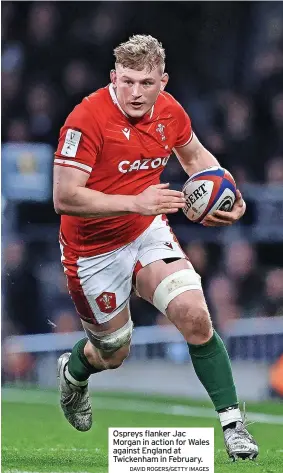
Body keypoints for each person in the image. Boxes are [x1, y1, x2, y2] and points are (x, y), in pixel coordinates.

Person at [53, 34, 258, 461]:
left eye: (146, 83)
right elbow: (64, 196)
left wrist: (230, 194)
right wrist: (136, 200)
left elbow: (197, 157)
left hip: (147, 230)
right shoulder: (85, 119)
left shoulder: (170, 112)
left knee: (195, 315)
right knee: (114, 352)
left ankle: (234, 425)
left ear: (162, 81)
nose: (135, 92)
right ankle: (73, 373)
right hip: (91, 251)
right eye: (127, 81)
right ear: (114, 77)